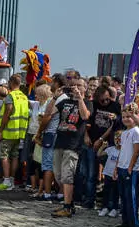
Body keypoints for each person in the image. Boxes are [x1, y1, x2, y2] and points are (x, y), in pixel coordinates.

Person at [48, 76, 90, 217]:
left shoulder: (87, 103)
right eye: (74, 85)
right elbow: (49, 113)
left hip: (73, 145)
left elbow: (85, 116)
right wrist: (55, 97)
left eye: (79, 85)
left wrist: (80, 99)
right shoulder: (64, 101)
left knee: (67, 176)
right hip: (60, 141)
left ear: (85, 88)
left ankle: (66, 207)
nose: (76, 87)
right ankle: (69, 203)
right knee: (58, 176)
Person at [87, 86, 121, 209]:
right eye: (103, 100)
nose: (105, 102)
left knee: (109, 175)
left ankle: (108, 204)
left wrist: (101, 139)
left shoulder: (115, 106)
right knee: (91, 174)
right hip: (92, 141)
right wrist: (87, 136)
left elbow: (117, 123)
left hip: (108, 144)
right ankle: (89, 201)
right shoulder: (93, 104)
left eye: (107, 99)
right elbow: (87, 121)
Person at [0, 75, 29, 191]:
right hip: (19, 133)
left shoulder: (11, 96)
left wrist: (1, 130)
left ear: (11, 82)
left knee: (4, 156)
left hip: (8, 132)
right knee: (14, 156)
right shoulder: (24, 97)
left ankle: (6, 181)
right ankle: (12, 181)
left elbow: (7, 112)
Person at [116, 112, 139, 227]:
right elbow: (121, 151)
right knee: (123, 195)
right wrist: (116, 167)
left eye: (129, 117)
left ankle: (134, 224)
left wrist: (131, 166)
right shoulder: (124, 132)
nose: (126, 119)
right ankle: (125, 221)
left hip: (131, 168)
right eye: (124, 117)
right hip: (122, 166)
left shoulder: (136, 131)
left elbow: (136, 151)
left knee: (131, 196)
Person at [98, 133, 120, 218]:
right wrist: (103, 147)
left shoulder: (123, 151)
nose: (117, 141)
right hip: (107, 173)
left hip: (116, 175)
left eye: (119, 139)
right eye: (116, 139)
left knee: (115, 192)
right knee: (106, 190)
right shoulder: (110, 149)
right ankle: (105, 207)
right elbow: (99, 154)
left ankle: (114, 208)